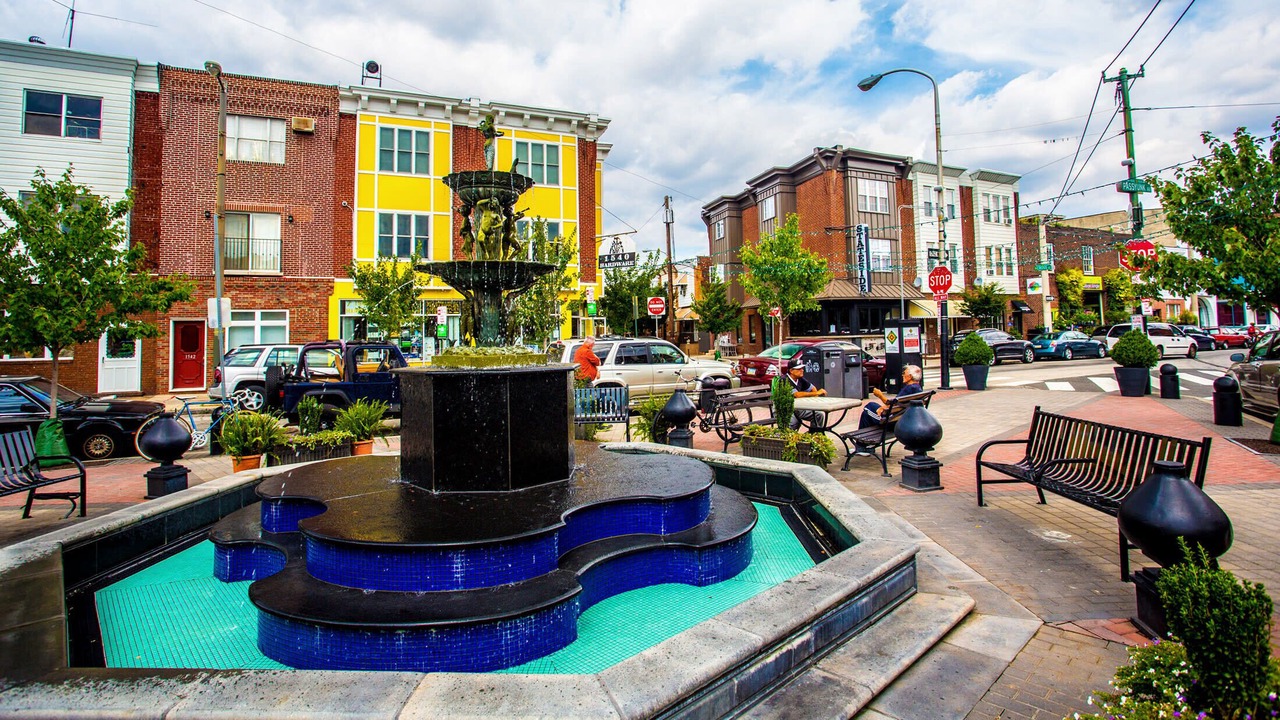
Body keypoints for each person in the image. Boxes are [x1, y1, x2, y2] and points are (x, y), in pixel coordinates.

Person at [858, 364, 924, 430]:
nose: (902, 375)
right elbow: (896, 403)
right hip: (905, 419)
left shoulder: (909, 389)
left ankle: (860, 437)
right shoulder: (917, 389)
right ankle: (862, 438)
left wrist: (880, 395)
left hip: (892, 421)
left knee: (867, 410)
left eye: (904, 373)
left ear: (910, 376)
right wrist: (884, 407)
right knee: (871, 406)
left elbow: (890, 404)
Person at [782, 357, 825, 430]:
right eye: (799, 369)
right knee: (794, 422)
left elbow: (812, 388)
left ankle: (814, 435)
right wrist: (817, 393)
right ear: (791, 371)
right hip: (786, 409)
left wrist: (815, 398)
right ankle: (789, 439)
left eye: (802, 368)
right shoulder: (783, 380)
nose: (802, 370)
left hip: (798, 408)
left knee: (819, 415)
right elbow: (797, 395)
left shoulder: (800, 378)